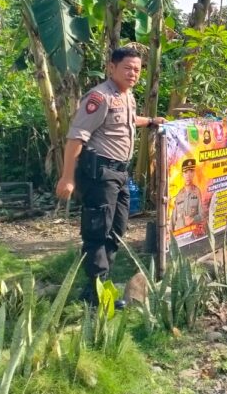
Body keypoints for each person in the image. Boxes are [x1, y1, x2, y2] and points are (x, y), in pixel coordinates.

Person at [55, 46, 165, 305]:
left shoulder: (126, 96)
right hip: (99, 174)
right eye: (127, 68)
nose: (133, 73)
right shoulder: (99, 97)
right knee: (98, 231)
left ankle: (96, 286)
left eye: (137, 69)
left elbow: (126, 120)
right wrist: (67, 177)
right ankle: (96, 294)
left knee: (117, 229)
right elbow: (76, 137)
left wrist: (150, 121)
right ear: (111, 67)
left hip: (119, 174)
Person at [171, 158, 203, 232]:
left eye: (191, 171)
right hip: (179, 235)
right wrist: (169, 233)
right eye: (185, 172)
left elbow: (202, 215)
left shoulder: (197, 191)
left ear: (194, 173)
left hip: (193, 234)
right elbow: (173, 217)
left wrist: (193, 219)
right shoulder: (179, 194)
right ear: (182, 174)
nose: (188, 175)